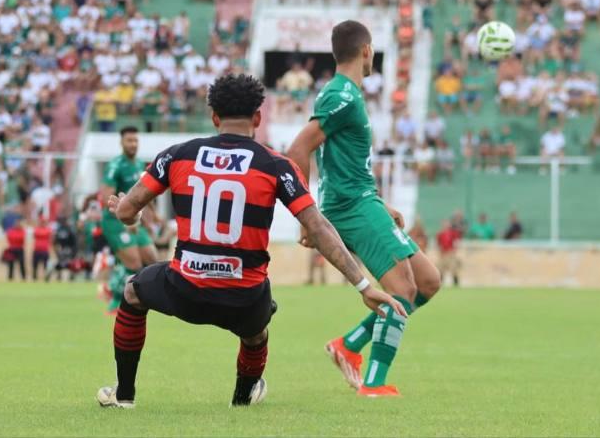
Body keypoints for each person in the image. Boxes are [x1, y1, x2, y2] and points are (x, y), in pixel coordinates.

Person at [96, 74, 402, 409]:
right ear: (258, 118)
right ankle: (241, 401)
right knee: (257, 333)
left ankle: (123, 396)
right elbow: (317, 227)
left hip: (184, 289)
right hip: (244, 300)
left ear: (214, 117)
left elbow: (125, 211)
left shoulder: (178, 155)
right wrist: (362, 285)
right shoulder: (275, 165)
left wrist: (134, 216)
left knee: (132, 292)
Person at [288, 21, 441, 397]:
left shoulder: (346, 94)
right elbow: (298, 150)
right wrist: (307, 216)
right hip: (350, 207)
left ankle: (350, 344)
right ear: (367, 51)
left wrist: (379, 202)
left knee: (428, 281)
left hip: (361, 199)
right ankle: (373, 383)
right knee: (402, 288)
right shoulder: (342, 95)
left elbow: (344, 162)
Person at [100, 126, 159, 313]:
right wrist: (125, 220)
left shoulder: (139, 164)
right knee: (133, 263)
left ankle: (145, 298)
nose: (133, 144)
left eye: (135, 140)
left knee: (152, 259)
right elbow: (106, 199)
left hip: (135, 221)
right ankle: (114, 296)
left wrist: (152, 218)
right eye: (129, 141)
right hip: (115, 222)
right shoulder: (115, 165)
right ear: (121, 142)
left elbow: (143, 194)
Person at [435, 220, 461, 286]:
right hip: (443, 253)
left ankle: (456, 284)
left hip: (450, 253)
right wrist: (440, 252)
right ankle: (440, 284)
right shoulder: (440, 234)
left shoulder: (453, 233)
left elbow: (456, 242)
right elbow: (438, 244)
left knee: (454, 269)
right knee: (440, 269)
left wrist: (454, 251)